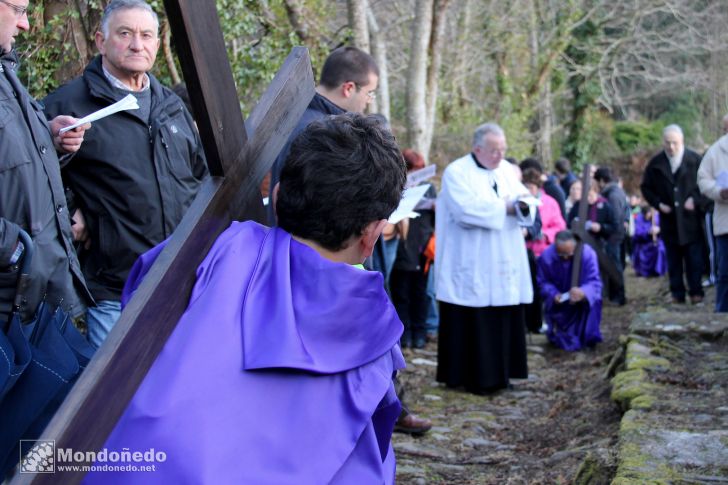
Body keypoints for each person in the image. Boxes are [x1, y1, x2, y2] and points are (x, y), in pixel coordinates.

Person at [87, 114, 407, 484]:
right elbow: (369, 450)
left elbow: (140, 299)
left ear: (282, 194)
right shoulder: (372, 325)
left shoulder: (217, 248)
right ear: (372, 235)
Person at [42, 0, 208, 348]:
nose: (137, 44)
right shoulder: (67, 106)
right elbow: (30, 181)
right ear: (101, 41)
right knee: (114, 400)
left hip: (185, 284)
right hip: (115, 292)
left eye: (147, 35)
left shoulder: (172, 107)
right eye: (125, 33)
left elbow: (201, 181)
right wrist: (73, 208)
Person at [0, 0, 93, 325]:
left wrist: (48, 138)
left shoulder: (5, 70)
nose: (25, 25)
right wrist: (13, 249)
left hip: (44, 294)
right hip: (11, 296)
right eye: (19, 10)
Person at [435, 123, 533, 394]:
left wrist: (524, 205)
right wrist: (506, 207)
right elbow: (465, 210)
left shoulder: (505, 172)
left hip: (503, 257)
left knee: (502, 316)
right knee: (472, 317)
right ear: (477, 148)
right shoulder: (457, 172)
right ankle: (470, 377)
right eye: (493, 150)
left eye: (503, 150)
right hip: (471, 257)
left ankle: (503, 375)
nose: (499, 156)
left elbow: (526, 200)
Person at [267, 45, 379, 224]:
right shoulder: (324, 133)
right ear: (348, 88)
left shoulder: (295, 117)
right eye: (370, 93)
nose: (369, 101)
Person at [641, 124, 705, 304]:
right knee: (673, 259)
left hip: (690, 220)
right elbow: (646, 188)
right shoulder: (656, 164)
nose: (671, 147)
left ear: (682, 142)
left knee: (694, 259)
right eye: (668, 143)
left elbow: (706, 185)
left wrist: (696, 200)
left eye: (675, 143)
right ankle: (677, 293)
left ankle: (696, 291)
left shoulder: (695, 160)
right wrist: (659, 204)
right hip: (669, 221)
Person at [389, 149, 436, 349]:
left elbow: (435, 221)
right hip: (402, 246)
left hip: (423, 247)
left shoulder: (429, 188)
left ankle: (420, 332)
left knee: (422, 293)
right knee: (401, 293)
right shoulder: (394, 185)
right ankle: (404, 334)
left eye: (420, 170)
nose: (417, 174)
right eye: (413, 170)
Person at [537, 230, 602, 351]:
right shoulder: (546, 257)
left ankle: (589, 338)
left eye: (569, 254)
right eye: (562, 254)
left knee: (595, 299)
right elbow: (543, 282)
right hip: (561, 303)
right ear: (556, 246)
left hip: (582, 301)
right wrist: (553, 294)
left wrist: (584, 292)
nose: (566, 257)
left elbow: (594, 281)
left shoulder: (587, 254)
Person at [698, 119, 728, 311]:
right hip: (725, 221)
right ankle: (722, 313)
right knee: (725, 270)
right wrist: (719, 192)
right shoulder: (716, 151)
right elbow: (702, 180)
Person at [594, 167, 628, 305]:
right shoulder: (618, 192)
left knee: (614, 266)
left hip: (613, 236)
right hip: (616, 234)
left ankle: (619, 296)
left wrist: (606, 229)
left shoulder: (612, 195)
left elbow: (615, 218)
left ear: (602, 181)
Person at [631, 206, 667, 277]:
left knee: (660, 249)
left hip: (656, 241)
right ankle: (644, 271)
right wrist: (648, 232)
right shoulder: (639, 218)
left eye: (649, 214)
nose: (648, 216)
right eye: (647, 214)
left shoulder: (657, 217)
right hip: (644, 243)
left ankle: (658, 270)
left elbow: (665, 229)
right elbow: (637, 233)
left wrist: (659, 230)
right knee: (640, 250)